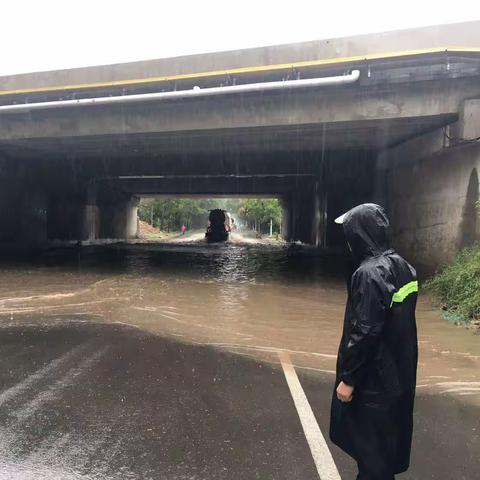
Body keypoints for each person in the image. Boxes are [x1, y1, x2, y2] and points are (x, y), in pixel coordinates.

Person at [329, 203, 418, 480]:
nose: (347, 239)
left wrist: (349, 379)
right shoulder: (405, 268)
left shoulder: (368, 274)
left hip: (373, 383)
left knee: (371, 456)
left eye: (349, 232)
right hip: (398, 377)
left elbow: (365, 331)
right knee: (383, 452)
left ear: (359, 233)